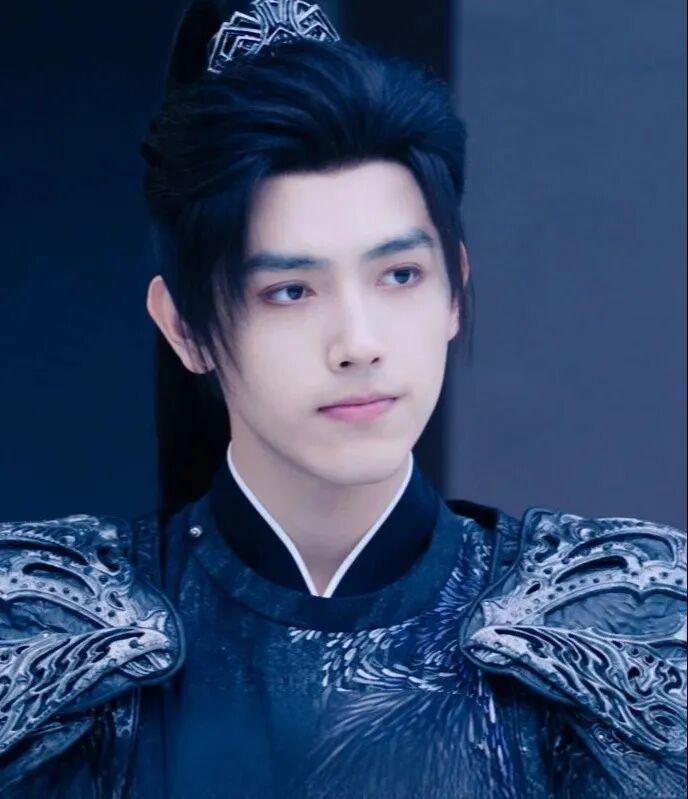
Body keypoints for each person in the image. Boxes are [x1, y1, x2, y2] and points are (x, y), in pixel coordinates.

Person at [1, 1, 685, 797]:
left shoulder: (629, 621)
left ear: (455, 288)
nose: (359, 342)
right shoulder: (39, 631)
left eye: (400, 275)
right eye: (291, 290)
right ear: (184, 327)